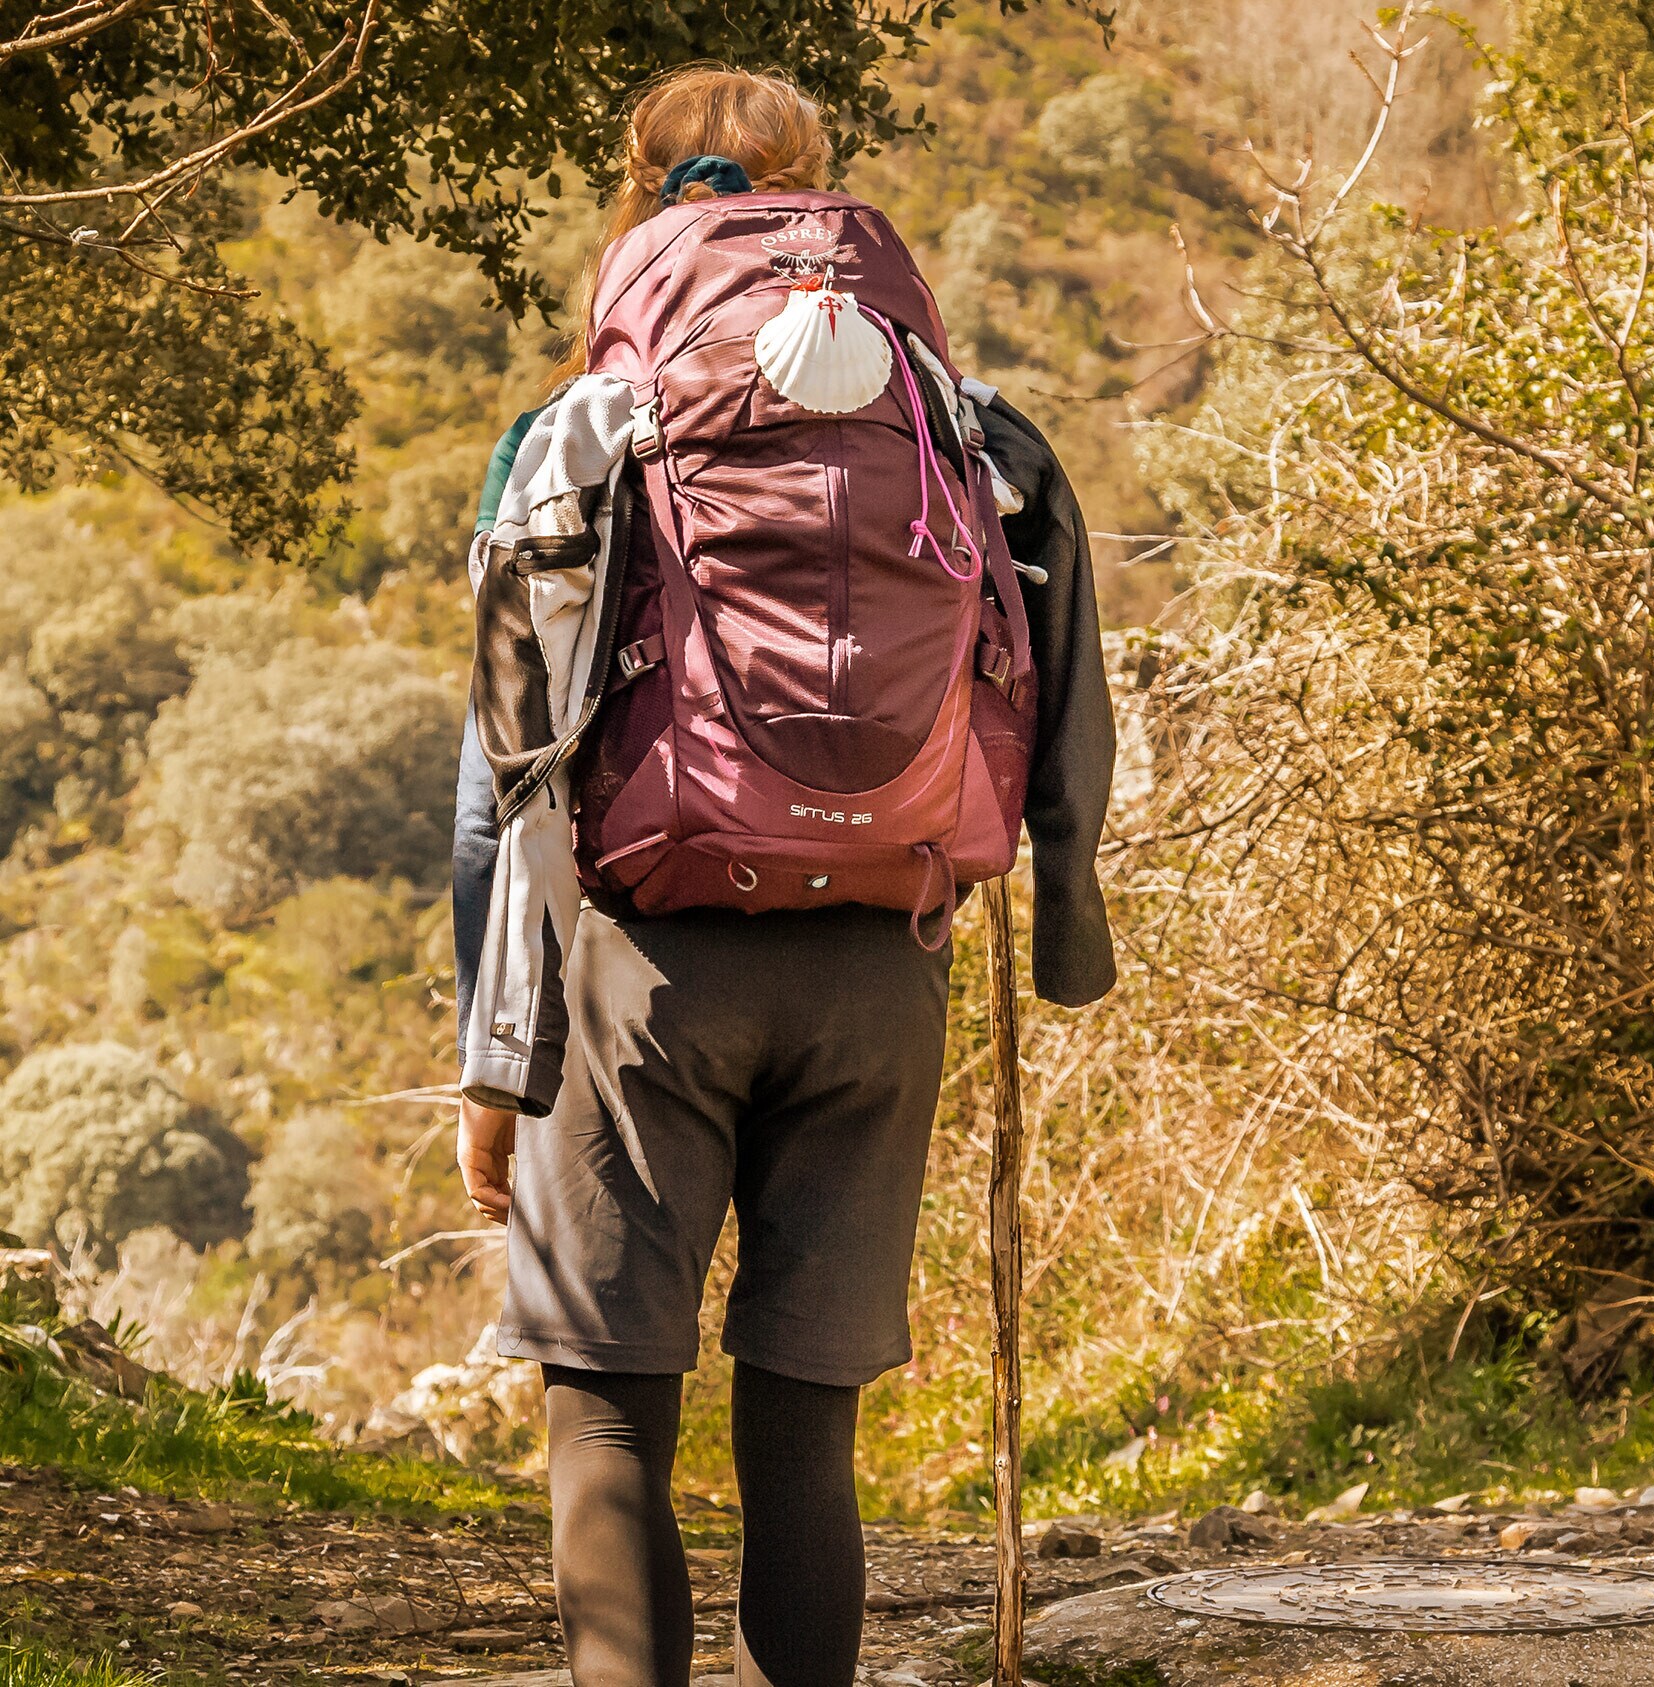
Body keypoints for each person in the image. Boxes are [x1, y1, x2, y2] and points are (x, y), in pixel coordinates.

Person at [448, 67, 1115, 1687]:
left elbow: (500, 781)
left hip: (641, 973)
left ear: (638, 195)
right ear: (821, 192)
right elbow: (1064, 685)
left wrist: (497, 1060)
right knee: (805, 1430)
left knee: (611, 1410)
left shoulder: (575, 432)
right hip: (883, 961)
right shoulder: (963, 423)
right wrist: (1067, 927)